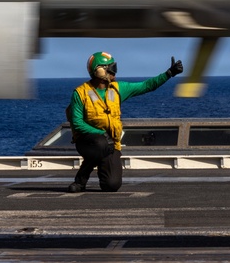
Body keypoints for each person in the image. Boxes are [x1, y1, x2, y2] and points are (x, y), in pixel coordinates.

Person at [67, 51, 183, 193]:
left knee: (112, 185)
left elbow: (146, 86)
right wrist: (100, 133)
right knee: (100, 143)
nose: (114, 72)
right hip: (87, 142)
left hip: (110, 144)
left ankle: (99, 164)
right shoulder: (80, 93)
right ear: (99, 71)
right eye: (111, 68)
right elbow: (77, 123)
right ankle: (81, 180)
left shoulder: (117, 89)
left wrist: (169, 73)